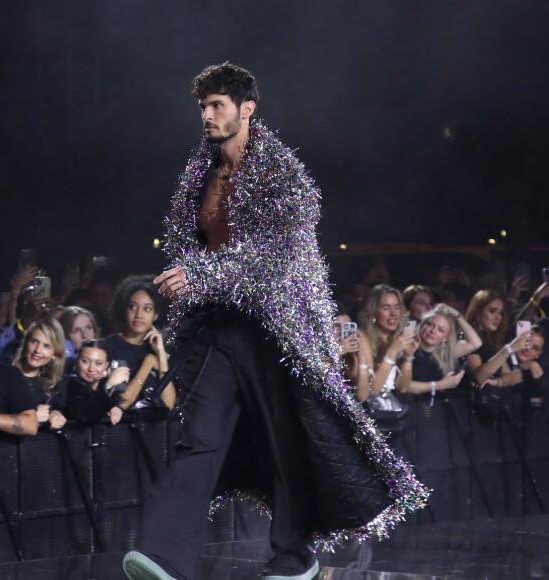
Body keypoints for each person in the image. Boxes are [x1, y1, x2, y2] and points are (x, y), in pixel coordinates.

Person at [122, 62, 428, 580]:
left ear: (247, 109)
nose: (207, 115)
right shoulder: (200, 174)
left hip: (276, 329)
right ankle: (161, 556)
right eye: (203, 106)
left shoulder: (282, 173)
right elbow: (187, 242)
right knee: (199, 437)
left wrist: (200, 273)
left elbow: (275, 255)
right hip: (220, 324)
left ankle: (295, 555)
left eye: (217, 105)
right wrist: (196, 283)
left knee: (287, 437)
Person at [103, 275, 175, 411]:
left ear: (156, 315)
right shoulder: (107, 346)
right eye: (132, 307)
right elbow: (120, 403)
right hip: (119, 429)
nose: (139, 315)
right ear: (124, 310)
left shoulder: (155, 350)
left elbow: (169, 404)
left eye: (147, 309)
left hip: (154, 429)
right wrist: (148, 364)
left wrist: (160, 353)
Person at [357, 284, 419, 396]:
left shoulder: (394, 339)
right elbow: (372, 390)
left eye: (396, 307)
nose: (393, 314)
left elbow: (403, 387)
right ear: (373, 313)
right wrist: (391, 353)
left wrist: (408, 356)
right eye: (386, 308)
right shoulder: (363, 338)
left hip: (390, 406)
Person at [408, 304, 481, 395]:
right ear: (422, 324)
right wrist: (440, 385)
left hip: (432, 406)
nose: (433, 331)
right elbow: (403, 385)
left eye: (440, 330)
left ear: (445, 338)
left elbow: (476, 343)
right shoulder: (407, 347)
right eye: (430, 324)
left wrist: (455, 313)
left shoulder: (444, 352)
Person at [53, 339, 129, 426]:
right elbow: (86, 417)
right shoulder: (67, 385)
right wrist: (109, 386)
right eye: (85, 361)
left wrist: (116, 407)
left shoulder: (103, 386)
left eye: (99, 363)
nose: (91, 369)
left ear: (106, 365)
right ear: (77, 360)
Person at [465, 289, 531, 389]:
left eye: (500, 312)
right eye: (492, 311)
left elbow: (512, 376)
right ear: (477, 312)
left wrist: (499, 382)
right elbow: (478, 377)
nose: (498, 317)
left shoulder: (490, 341)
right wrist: (509, 349)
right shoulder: (467, 338)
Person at [12, 318, 68, 429]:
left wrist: (57, 414)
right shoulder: (4, 375)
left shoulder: (55, 384)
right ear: (26, 343)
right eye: (34, 341)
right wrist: (31, 418)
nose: (37, 350)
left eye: (47, 346)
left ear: (55, 355)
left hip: (41, 445)